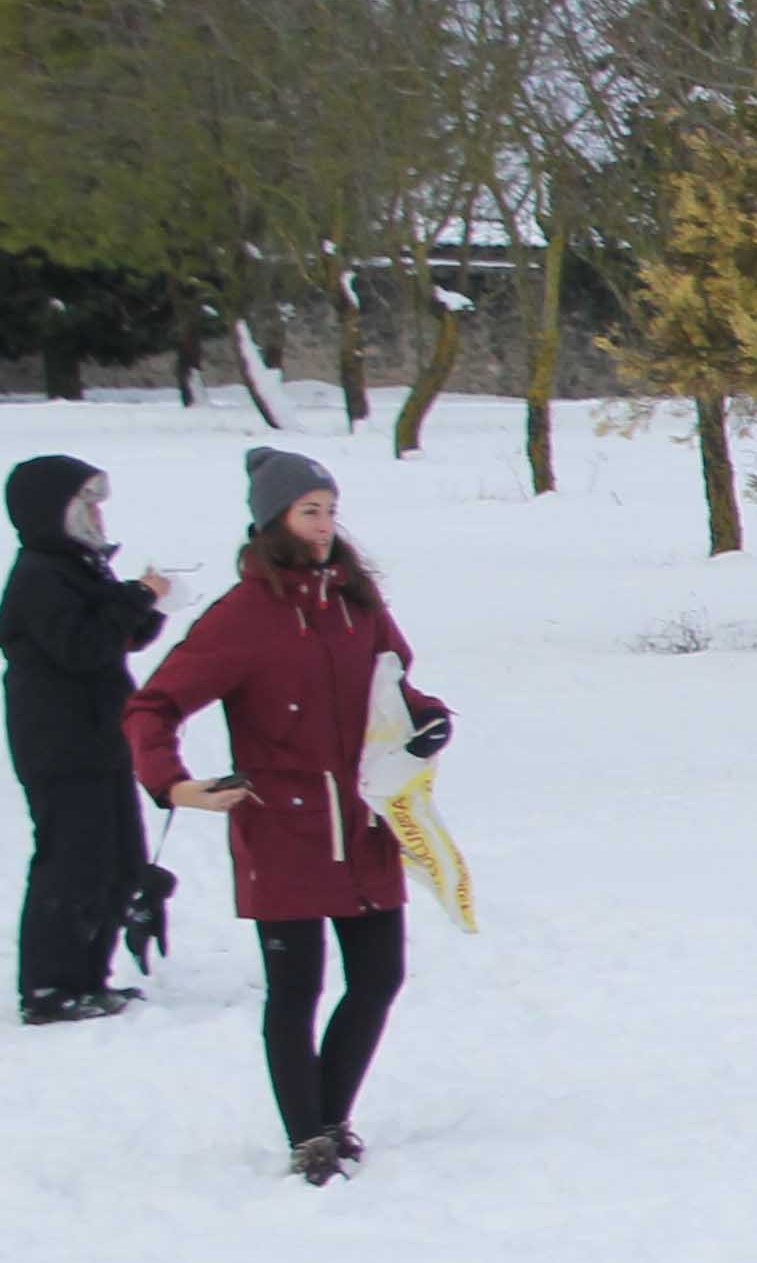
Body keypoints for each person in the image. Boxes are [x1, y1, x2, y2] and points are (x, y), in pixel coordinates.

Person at [126, 449, 451, 1184]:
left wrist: (428, 719)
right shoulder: (242, 617)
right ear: (273, 520)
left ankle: (331, 1117)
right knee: (296, 991)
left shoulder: (357, 603)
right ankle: (309, 1137)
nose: (325, 525)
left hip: (366, 822)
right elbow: (152, 706)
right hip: (283, 829)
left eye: (331, 510)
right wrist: (173, 785)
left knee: (379, 978)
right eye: (310, 512)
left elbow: (397, 687)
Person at [7, 455, 174, 1024]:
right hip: (59, 744)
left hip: (101, 736)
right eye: (87, 505)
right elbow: (79, 646)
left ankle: (87, 979)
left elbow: (113, 637)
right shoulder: (38, 574)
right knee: (73, 863)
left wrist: (146, 605)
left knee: (117, 862)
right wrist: (136, 599)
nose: (99, 516)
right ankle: (49, 989)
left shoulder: (77, 567)